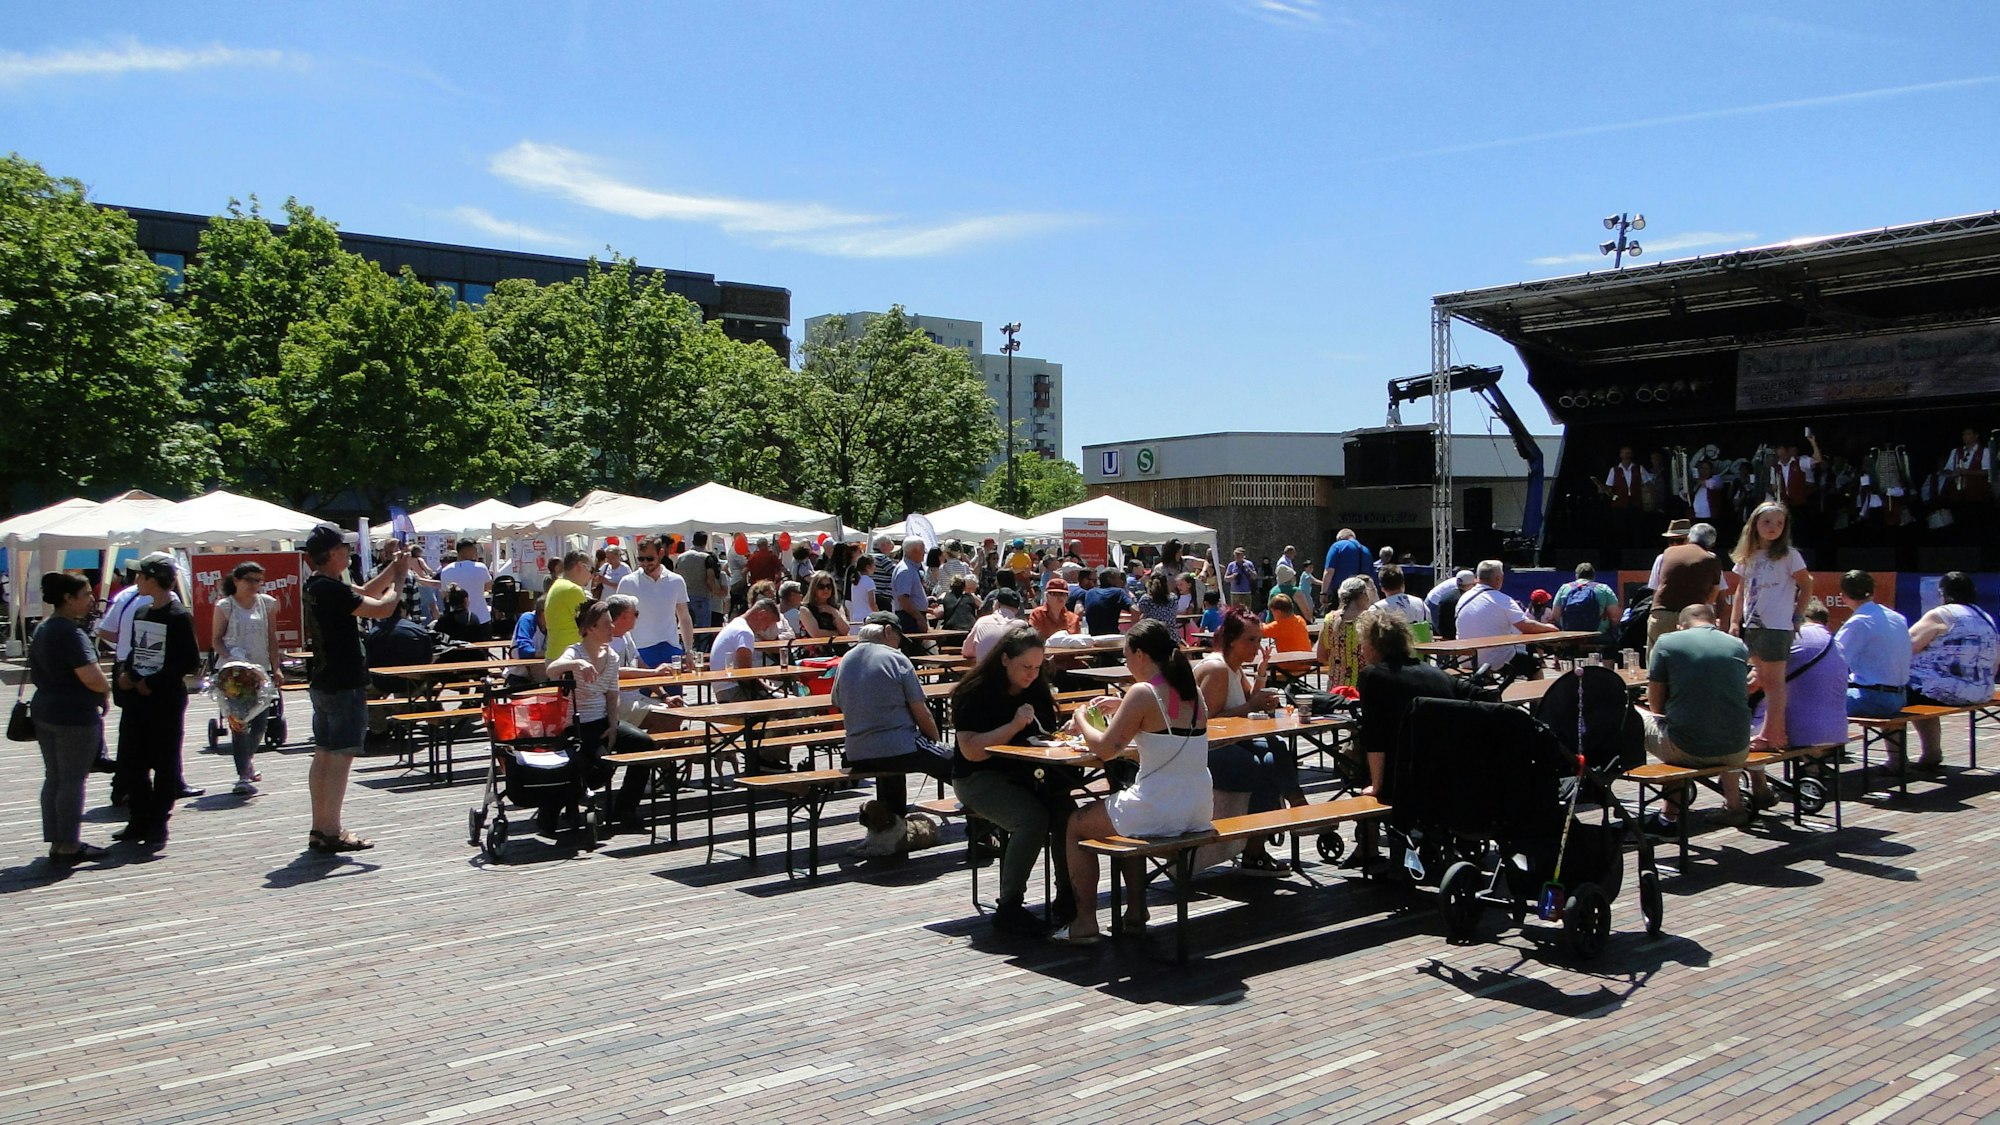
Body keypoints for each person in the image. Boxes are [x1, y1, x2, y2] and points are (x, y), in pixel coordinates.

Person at [1056, 619, 1213, 943]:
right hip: (1197, 806)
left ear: (1140, 654)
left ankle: (1084, 922)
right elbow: (1167, 714)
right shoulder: (1190, 690)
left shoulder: (1143, 692)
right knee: (1129, 821)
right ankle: (1136, 911)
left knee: (1075, 824)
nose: (1126, 664)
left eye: (1127, 656)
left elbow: (1104, 749)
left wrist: (1082, 719)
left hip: (1161, 806)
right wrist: (1122, 705)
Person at [950, 623, 1075, 935]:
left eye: (1037, 667)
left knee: (1067, 814)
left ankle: (1068, 898)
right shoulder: (974, 692)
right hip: (979, 778)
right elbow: (971, 752)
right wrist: (1014, 726)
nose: (1032, 674)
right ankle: (1009, 906)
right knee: (1032, 820)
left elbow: (1045, 732)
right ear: (1004, 659)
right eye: (1025, 667)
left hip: (1030, 773)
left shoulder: (1036, 687)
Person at [301, 524, 406, 853]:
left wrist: (393, 568)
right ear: (333, 554)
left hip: (322, 679)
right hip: (343, 680)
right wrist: (401, 580)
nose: (349, 553)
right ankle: (331, 829)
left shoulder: (319, 585)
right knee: (340, 757)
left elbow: (365, 591)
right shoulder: (332, 589)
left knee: (323, 754)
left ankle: (320, 826)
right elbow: (382, 607)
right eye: (344, 549)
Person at [1195, 606, 1305, 876]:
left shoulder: (1234, 668)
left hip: (1233, 744)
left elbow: (1247, 702)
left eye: (1259, 639)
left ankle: (1290, 810)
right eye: (1251, 640)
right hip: (1207, 751)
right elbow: (1208, 722)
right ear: (1232, 640)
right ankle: (1258, 848)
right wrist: (1253, 704)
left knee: (1274, 750)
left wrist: (1262, 673)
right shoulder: (1217, 669)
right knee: (1262, 769)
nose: (1256, 646)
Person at [1644, 604, 1762, 830]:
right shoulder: (1737, 645)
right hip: (1738, 748)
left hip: (1689, 748)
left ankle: (1668, 815)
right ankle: (1734, 805)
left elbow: (1656, 705)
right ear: (1715, 622)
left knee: (1642, 718)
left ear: (1681, 626)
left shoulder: (1667, 641)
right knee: (1717, 719)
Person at [110, 552, 199, 851]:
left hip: (165, 698)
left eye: (142, 577)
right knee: (133, 759)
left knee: (164, 761)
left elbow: (188, 660)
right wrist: (128, 675)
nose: (137, 582)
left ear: (154, 580)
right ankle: (138, 818)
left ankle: (158, 822)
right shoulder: (142, 612)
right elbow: (138, 651)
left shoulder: (178, 615)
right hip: (138, 698)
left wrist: (154, 682)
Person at [545, 597, 656, 834]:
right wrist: (576, 664)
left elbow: (612, 693)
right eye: (607, 625)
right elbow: (551, 670)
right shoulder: (575, 651)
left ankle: (624, 810)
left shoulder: (612, 657)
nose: (612, 629)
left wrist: (614, 724)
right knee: (596, 765)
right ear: (591, 628)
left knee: (644, 745)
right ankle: (556, 808)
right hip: (577, 724)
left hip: (602, 720)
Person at [835, 613, 952, 820]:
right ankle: (980, 832)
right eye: (899, 637)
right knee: (961, 764)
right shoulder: (896, 658)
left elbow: (837, 702)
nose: (899, 645)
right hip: (897, 748)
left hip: (857, 752)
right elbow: (922, 713)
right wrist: (936, 743)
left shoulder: (846, 660)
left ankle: (894, 826)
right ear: (888, 631)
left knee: (890, 762)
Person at [31, 571, 112, 867]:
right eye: (86, 594)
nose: (91, 599)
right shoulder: (69, 632)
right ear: (68, 598)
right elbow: (90, 676)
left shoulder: (44, 627)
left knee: (54, 776)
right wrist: (106, 688)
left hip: (45, 710)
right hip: (73, 714)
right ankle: (68, 843)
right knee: (72, 780)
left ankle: (56, 839)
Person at [1728, 502, 1811, 750]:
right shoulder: (1749, 555)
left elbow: (1807, 585)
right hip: (1753, 625)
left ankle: (1771, 735)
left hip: (1777, 626)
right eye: (1767, 522)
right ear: (1754, 525)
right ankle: (1759, 730)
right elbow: (1740, 590)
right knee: (1761, 678)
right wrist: (1734, 622)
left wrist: (1797, 616)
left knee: (1774, 682)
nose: (1773, 527)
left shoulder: (1790, 555)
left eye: (1779, 523)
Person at [1353, 605, 1457, 801]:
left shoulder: (1373, 676)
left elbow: (1375, 734)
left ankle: (1371, 828)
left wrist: (1377, 785)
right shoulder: (1436, 673)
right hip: (1446, 769)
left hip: (1403, 775)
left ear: (1373, 645)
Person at [1902, 571, 2000, 774]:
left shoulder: (1941, 614)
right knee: (1923, 688)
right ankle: (1930, 754)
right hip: (1982, 691)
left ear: (1943, 593)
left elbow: (1904, 647)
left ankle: (1897, 761)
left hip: (1948, 692)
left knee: (1897, 691)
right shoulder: (1985, 616)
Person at [211, 560, 282, 796]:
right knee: (239, 723)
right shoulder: (225, 606)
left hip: (260, 671)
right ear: (236, 581)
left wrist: (276, 667)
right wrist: (230, 658)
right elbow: (216, 639)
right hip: (234, 674)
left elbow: (271, 638)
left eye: (258, 580)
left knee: (261, 722)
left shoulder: (266, 604)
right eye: (249, 580)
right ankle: (242, 774)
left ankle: (248, 761)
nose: (255, 585)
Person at [1751, 601, 1848, 765]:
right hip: (1837, 730)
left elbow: (1753, 683)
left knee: (1737, 731)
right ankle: (1810, 770)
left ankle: (1755, 784)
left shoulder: (1792, 637)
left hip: (1798, 731)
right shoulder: (1836, 643)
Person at [1454, 560, 1559, 672]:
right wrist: (1550, 628)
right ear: (1498, 578)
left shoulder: (1463, 598)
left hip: (1465, 659)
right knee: (1534, 665)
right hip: (1493, 660)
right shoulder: (1502, 599)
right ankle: (1534, 689)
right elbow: (1526, 626)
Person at [1834, 570, 1910, 719]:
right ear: (1873, 592)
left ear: (1843, 597)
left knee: (1813, 703)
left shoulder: (1859, 621)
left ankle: (1831, 743)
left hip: (1875, 699)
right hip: (1901, 696)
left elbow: (1834, 660)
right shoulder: (1898, 618)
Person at [617, 536, 695, 668]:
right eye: (641, 559)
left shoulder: (676, 580)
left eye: (650, 558)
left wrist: (688, 650)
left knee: (673, 689)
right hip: (640, 650)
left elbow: (684, 617)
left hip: (671, 648)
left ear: (661, 553)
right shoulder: (627, 582)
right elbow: (617, 619)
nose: (645, 563)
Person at [1648, 522, 1724, 656]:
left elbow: (1656, 590)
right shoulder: (1711, 559)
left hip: (1661, 614)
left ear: (1689, 537)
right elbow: (1714, 592)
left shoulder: (1666, 554)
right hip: (1692, 619)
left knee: (1657, 663)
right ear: (1711, 544)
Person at [711, 599, 782, 715]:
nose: (765, 629)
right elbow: (745, 675)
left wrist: (769, 689)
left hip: (723, 690)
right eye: (767, 624)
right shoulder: (745, 633)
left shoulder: (736, 624)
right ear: (761, 614)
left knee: (782, 699)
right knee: (788, 707)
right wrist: (769, 690)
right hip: (734, 692)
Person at [1316, 575, 1376, 689]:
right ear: (1362, 595)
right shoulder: (1370, 620)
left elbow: (1321, 656)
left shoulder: (1329, 619)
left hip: (1336, 688)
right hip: (1363, 688)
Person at [434, 538, 494, 640]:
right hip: (481, 616)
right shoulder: (480, 567)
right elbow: (488, 587)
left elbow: (445, 594)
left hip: (455, 620)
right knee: (482, 652)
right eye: (475, 549)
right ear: (468, 550)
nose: (476, 552)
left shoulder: (446, 570)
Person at [542, 552, 592, 668]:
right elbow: (591, 625)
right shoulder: (573, 589)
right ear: (579, 566)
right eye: (591, 569)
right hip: (571, 659)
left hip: (556, 654)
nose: (591, 575)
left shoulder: (557, 585)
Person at [1552, 562, 1618, 641]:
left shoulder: (1565, 588)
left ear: (1576, 575)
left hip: (1570, 636)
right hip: (1597, 636)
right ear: (1593, 576)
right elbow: (1615, 618)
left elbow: (1555, 616)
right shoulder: (1604, 589)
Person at [963, 588, 1025, 663]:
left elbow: (966, 651)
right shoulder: (1022, 626)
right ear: (1017, 609)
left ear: (997, 604)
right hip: (1012, 673)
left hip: (984, 673)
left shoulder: (981, 622)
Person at [891, 536, 934, 639]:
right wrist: (919, 618)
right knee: (914, 651)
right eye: (923, 551)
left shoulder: (909, 568)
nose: (924, 554)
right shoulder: (906, 570)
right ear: (914, 551)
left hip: (911, 616)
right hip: (909, 618)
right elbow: (903, 599)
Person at [1081, 566, 1138, 636]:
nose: (1121, 581)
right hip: (1112, 638)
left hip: (1093, 638)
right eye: (1119, 578)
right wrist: (1131, 634)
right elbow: (1136, 611)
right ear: (1110, 579)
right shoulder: (1118, 592)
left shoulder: (1089, 592)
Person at [1321, 528, 1370, 605]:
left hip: (1341, 594)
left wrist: (1323, 593)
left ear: (1340, 538)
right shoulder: (1366, 550)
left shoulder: (1337, 546)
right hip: (1362, 594)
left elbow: (1329, 572)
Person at [799, 571, 851, 640]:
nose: (826, 589)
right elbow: (816, 634)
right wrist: (838, 634)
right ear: (814, 589)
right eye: (821, 586)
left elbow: (845, 631)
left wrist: (834, 613)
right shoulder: (805, 609)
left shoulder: (837, 607)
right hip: (817, 648)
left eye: (829, 586)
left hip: (839, 647)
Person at [1429, 569, 1477, 641]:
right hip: (1434, 604)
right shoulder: (1463, 598)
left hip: (1435, 602)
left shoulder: (1451, 593)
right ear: (1470, 584)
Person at [847, 553, 880, 630]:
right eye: (873, 565)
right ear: (868, 567)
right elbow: (872, 603)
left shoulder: (855, 581)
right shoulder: (869, 581)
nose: (875, 567)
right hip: (867, 618)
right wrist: (878, 614)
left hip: (856, 617)